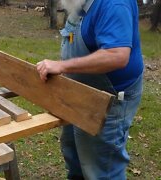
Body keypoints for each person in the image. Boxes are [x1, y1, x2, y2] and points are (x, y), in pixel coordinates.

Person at [36, 0, 144, 179]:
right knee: (74, 154)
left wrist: (63, 66)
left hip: (109, 96)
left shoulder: (114, 4)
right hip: (79, 91)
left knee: (102, 168)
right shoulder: (80, 2)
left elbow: (117, 55)